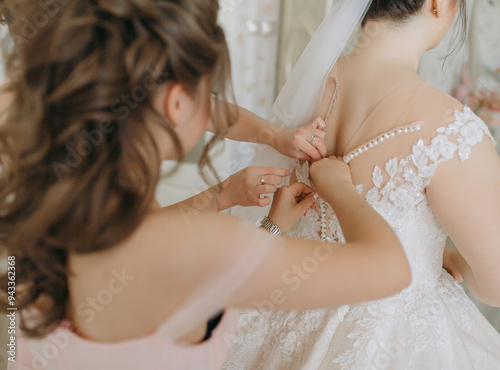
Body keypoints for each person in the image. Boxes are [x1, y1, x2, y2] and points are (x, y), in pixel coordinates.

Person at [0, 1, 411, 369]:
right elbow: (391, 268)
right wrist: (338, 186)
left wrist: (239, 191)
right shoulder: (199, 245)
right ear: (175, 102)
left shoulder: (32, 206)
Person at [225, 0, 500, 369]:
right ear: (437, 3)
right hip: (393, 338)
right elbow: (495, 283)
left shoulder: (313, 84)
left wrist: (434, 251)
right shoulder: (451, 129)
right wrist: (442, 258)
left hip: (290, 311)